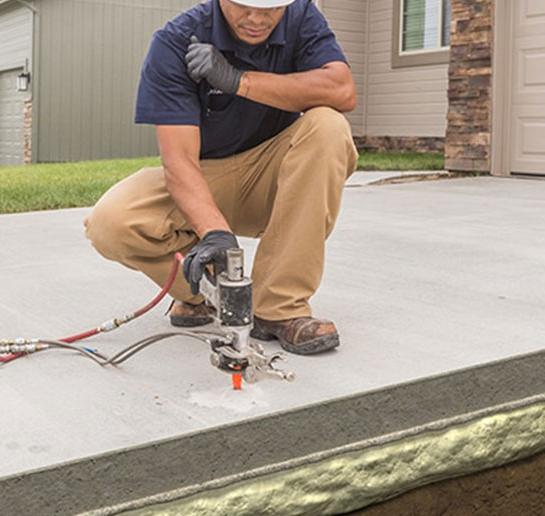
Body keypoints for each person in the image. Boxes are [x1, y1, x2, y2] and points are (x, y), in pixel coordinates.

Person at [85, 0, 358, 355]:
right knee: (112, 222)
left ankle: (279, 308)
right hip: (205, 177)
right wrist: (214, 233)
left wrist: (238, 80)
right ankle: (206, 293)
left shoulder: (301, 16)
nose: (258, 18)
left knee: (328, 127)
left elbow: (341, 90)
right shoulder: (176, 41)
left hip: (275, 177)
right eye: (244, 6)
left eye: (272, 8)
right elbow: (180, 160)